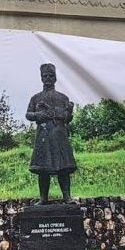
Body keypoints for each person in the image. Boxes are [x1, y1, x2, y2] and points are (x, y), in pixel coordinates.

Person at [26, 63, 77, 204]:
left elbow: (68, 119)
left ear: (55, 78)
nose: (47, 78)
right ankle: (43, 198)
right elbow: (28, 114)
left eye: (50, 76)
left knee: (64, 168)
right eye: (45, 76)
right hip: (43, 135)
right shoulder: (36, 98)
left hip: (60, 135)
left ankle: (67, 197)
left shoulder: (63, 98)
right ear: (41, 78)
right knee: (43, 168)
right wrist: (38, 115)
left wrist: (68, 114)